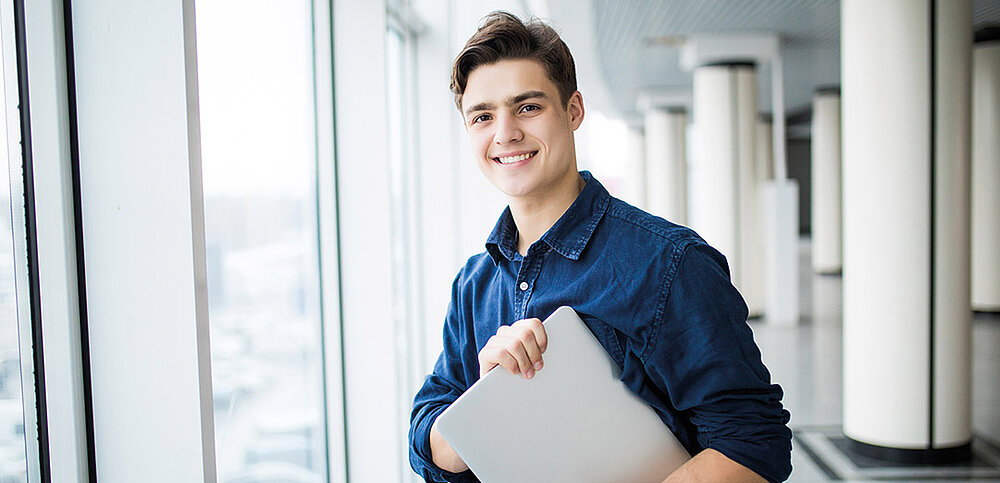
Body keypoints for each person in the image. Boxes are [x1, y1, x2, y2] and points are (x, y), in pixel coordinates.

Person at [408, 11, 792, 483]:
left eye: (528, 107)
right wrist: (485, 401)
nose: (504, 133)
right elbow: (427, 442)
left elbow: (753, 443)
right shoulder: (474, 283)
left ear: (573, 111)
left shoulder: (668, 263)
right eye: (483, 116)